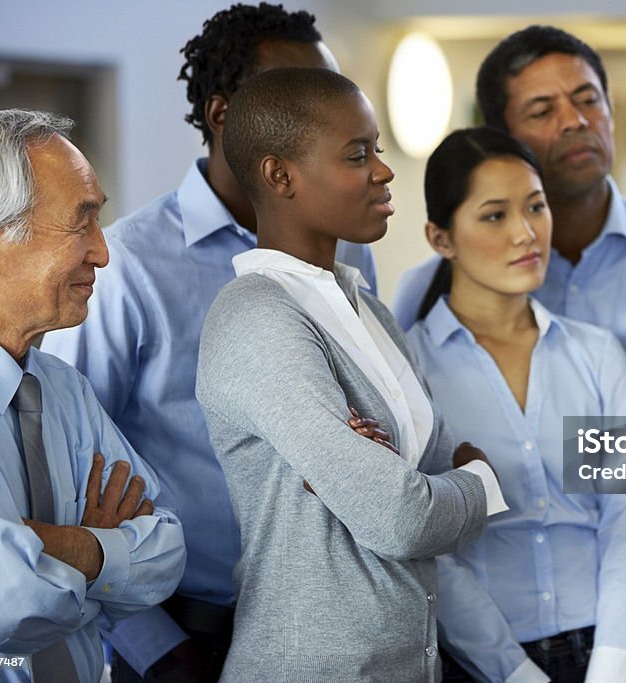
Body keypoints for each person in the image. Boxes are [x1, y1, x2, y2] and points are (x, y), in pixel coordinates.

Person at [40, 6, 375, 680]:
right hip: (185, 636)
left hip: (329, 624)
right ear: (222, 114)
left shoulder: (346, 257)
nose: (326, 113)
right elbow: (67, 477)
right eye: (297, 97)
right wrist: (156, 647)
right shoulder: (128, 266)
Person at [196, 67, 505, 682]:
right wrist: (482, 480)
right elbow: (402, 516)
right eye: (357, 155)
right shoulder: (257, 318)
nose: (384, 172)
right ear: (279, 175)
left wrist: (412, 481)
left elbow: (425, 471)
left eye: (378, 151)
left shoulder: (367, 309)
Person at [406, 127, 626, 683]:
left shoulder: (597, 353)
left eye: (535, 207)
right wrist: (511, 669)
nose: (526, 233)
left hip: (607, 649)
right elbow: (430, 545)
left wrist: (615, 662)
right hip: (482, 661)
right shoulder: (410, 372)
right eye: (495, 215)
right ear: (440, 238)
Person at [0, 109, 185, 682]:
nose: (103, 252)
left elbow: (167, 553)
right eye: (81, 224)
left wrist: (54, 548)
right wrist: (105, 559)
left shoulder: (63, 387)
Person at [392, 25, 626, 379]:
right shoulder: (430, 289)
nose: (575, 121)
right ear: (503, 137)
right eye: (542, 112)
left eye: (588, 100)